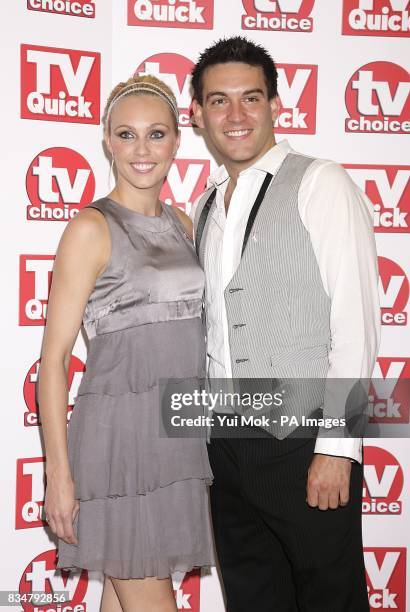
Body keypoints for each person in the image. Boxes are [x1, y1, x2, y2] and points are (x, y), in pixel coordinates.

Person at [190, 37, 380, 611]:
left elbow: (356, 322)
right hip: (224, 444)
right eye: (219, 101)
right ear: (197, 115)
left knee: (330, 599)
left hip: (303, 441)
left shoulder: (321, 182)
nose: (237, 115)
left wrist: (337, 448)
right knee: (253, 598)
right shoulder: (205, 203)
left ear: (276, 104)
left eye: (251, 98)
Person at [38, 74, 214, 612]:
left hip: (178, 437)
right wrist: (58, 476)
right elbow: (54, 361)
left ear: (177, 142)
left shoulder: (184, 223)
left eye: (156, 134)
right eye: (127, 135)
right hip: (121, 447)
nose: (143, 150)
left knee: (123, 598)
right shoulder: (91, 228)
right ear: (108, 141)